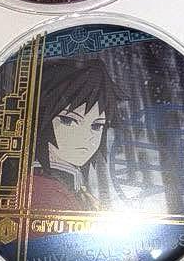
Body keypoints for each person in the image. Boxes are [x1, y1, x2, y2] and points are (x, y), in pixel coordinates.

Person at [29, 59, 124, 211]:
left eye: (96, 126)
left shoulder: (69, 184)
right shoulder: (43, 192)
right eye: (68, 121)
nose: (87, 137)